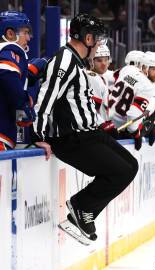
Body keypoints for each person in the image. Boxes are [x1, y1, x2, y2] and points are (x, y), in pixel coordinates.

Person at [33, 14, 138, 244]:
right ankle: (80, 207)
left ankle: (83, 210)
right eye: (98, 40)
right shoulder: (64, 61)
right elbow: (46, 99)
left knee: (131, 166)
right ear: (87, 38)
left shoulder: (77, 62)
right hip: (72, 138)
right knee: (119, 172)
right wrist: (38, 135)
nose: (100, 45)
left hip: (90, 133)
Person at [108, 50, 155, 150]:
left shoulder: (127, 69)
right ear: (144, 67)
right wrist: (136, 134)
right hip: (120, 130)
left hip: (105, 122)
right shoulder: (148, 87)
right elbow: (132, 116)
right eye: (154, 69)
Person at [0, 11, 37, 151]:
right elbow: (8, 77)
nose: (28, 38)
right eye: (25, 32)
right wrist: (25, 108)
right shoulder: (9, 51)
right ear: (10, 34)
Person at [88, 43, 111, 121]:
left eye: (106, 59)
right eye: (99, 60)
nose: (104, 63)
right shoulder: (92, 78)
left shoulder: (103, 76)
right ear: (91, 61)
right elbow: (92, 110)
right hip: (95, 126)